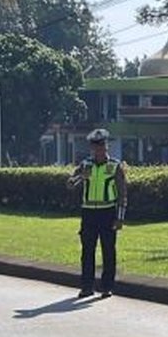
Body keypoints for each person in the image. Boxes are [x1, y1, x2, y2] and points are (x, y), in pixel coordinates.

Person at [67, 128, 128, 299]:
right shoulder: (85, 165)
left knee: (108, 251)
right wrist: (80, 178)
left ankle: (107, 287)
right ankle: (87, 286)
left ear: (106, 147)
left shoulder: (115, 166)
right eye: (95, 148)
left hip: (107, 212)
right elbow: (69, 185)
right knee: (87, 251)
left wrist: (120, 218)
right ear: (91, 149)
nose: (98, 151)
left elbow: (123, 193)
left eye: (101, 147)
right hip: (88, 213)